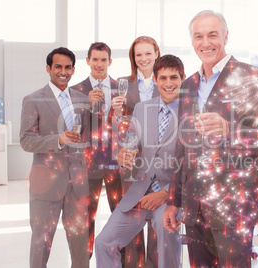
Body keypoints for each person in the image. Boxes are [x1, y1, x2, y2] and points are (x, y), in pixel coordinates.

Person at [163, 10, 258, 267]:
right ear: (192, 42)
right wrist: (173, 201)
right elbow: (183, 145)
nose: (206, 42)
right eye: (198, 36)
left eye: (212, 35)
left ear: (225, 36)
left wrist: (230, 129)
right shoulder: (188, 85)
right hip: (193, 204)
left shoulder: (254, 78)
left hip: (234, 204)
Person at [95, 54, 185, 268]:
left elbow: (196, 164)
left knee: (166, 238)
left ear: (183, 78)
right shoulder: (142, 109)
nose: (168, 83)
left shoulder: (193, 112)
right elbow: (130, 142)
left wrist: (166, 194)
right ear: (154, 80)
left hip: (170, 196)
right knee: (103, 242)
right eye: (162, 78)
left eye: (174, 77)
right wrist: (124, 153)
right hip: (140, 194)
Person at [20, 47, 90, 267]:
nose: (63, 71)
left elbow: (86, 137)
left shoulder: (82, 100)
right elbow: (26, 140)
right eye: (58, 66)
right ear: (48, 68)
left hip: (77, 183)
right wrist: (58, 139)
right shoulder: (33, 99)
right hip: (46, 183)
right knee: (41, 241)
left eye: (68, 67)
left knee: (80, 243)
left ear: (73, 69)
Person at [71, 42, 125, 260]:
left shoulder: (121, 89)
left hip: (116, 164)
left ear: (110, 62)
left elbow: (128, 129)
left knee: (121, 218)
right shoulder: (75, 91)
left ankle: (118, 262)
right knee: (85, 219)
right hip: (87, 165)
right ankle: (83, 263)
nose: (99, 64)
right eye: (95, 59)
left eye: (104, 60)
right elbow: (72, 130)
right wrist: (85, 103)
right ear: (88, 62)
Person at [113, 36, 161, 267]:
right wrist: (114, 113)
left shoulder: (167, 82)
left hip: (161, 160)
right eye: (138, 54)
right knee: (132, 218)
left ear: (156, 54)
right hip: (132, 161)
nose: (143, 59)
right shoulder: (123, 83)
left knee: (157, 219)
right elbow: (116, 126)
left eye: (147, 53)